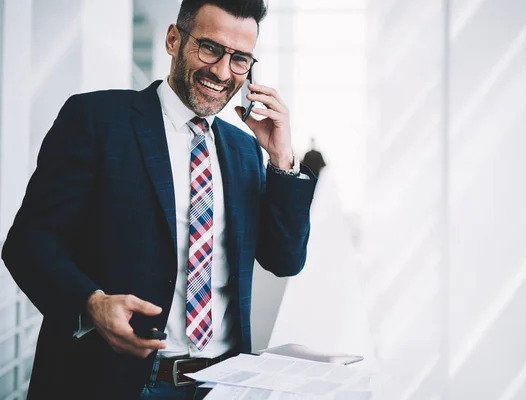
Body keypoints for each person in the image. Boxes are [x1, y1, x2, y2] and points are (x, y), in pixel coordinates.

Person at [1, 0, 316, 399]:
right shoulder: (97, 120)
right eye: (210, 48)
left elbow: (284, 259)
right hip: (110, 383)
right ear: (173, 39)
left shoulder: (244, 149)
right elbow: (29, 243)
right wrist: (91, 304)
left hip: (219, 384)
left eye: (240, 59)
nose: (222, 72)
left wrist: (283, 160)